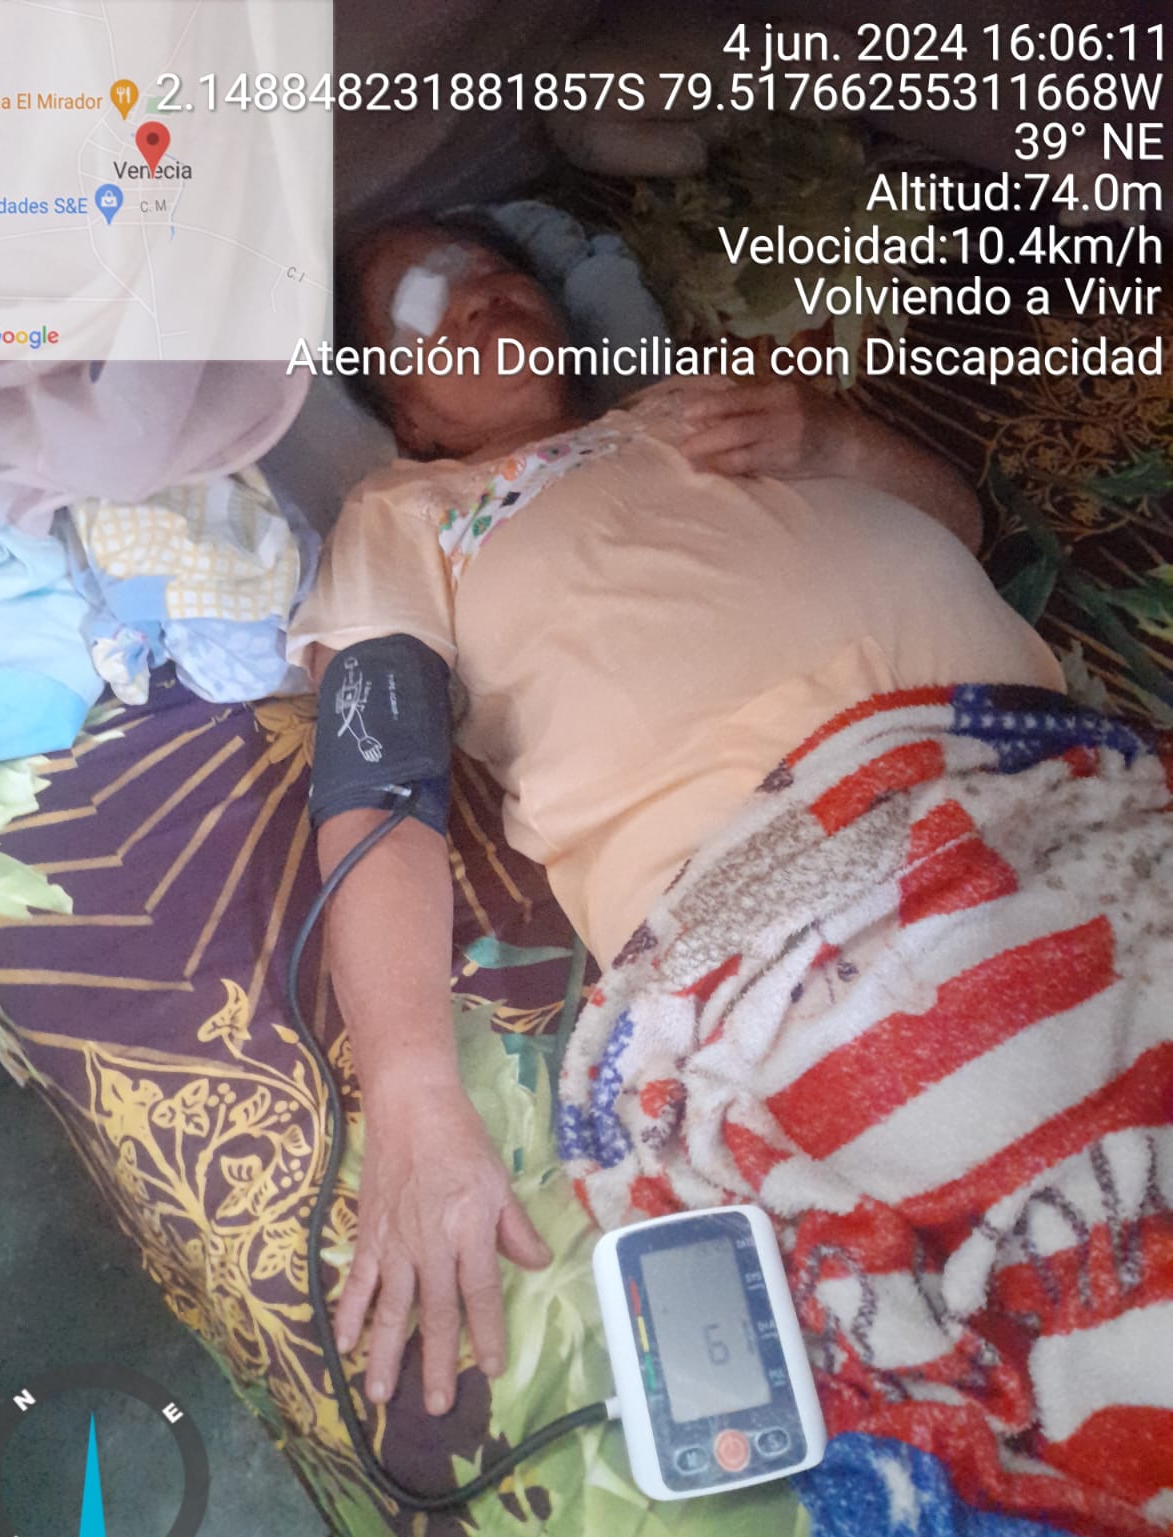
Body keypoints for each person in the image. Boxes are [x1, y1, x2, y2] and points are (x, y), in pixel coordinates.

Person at [286, 214, 1065, 1421]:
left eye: (493, 269)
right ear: (411, 416)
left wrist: (836, 440)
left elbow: (959, 524)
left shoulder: (693, 404)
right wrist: (411, 1093)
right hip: (792, 890)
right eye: (422, 305)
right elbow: (376, 780)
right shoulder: (407, 511)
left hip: (1052, 784)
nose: (476, 293)